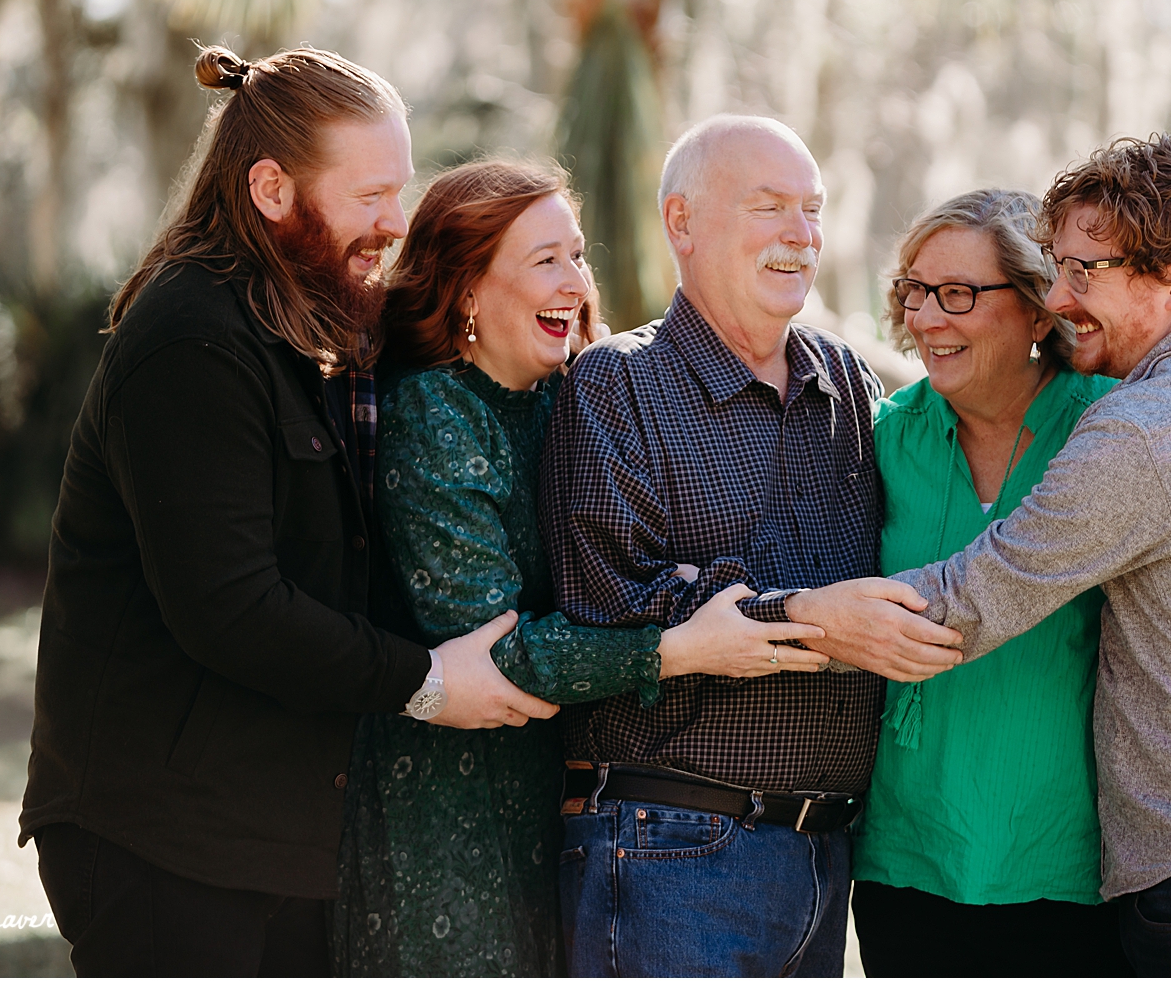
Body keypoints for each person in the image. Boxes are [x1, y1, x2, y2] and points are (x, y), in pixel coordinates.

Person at [20, 46, 562, 976]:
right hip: (165, 838)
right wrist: (429, 681)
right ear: (271, 187)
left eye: (401, 192)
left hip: (279, 832)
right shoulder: (193, 337)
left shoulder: (310, 327)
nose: (394, 224)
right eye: (369, 198)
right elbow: (229, 608)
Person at [825, 135, 1171, 977]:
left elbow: (977, 596)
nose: (1060, 296)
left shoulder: (1137, 429)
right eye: (1057, 267)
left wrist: (780, 618)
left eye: (1084, 272)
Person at [329, 160, 830, 976]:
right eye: (544, 260)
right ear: (466, 291)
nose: (574, 281)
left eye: (577, 254)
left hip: (559, 799)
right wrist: (682, 649)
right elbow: (499, 654)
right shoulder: (436, 412)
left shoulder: (568, 397)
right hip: (452, 810)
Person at [540, 114, 964, 978]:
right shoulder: (617, 382)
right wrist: (809, 620)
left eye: (811, 209)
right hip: (669, 848)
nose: (800, 235)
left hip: (823, 859)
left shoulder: (844, 379)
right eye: (769, 207)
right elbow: (609, 601)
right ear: (682, 223)